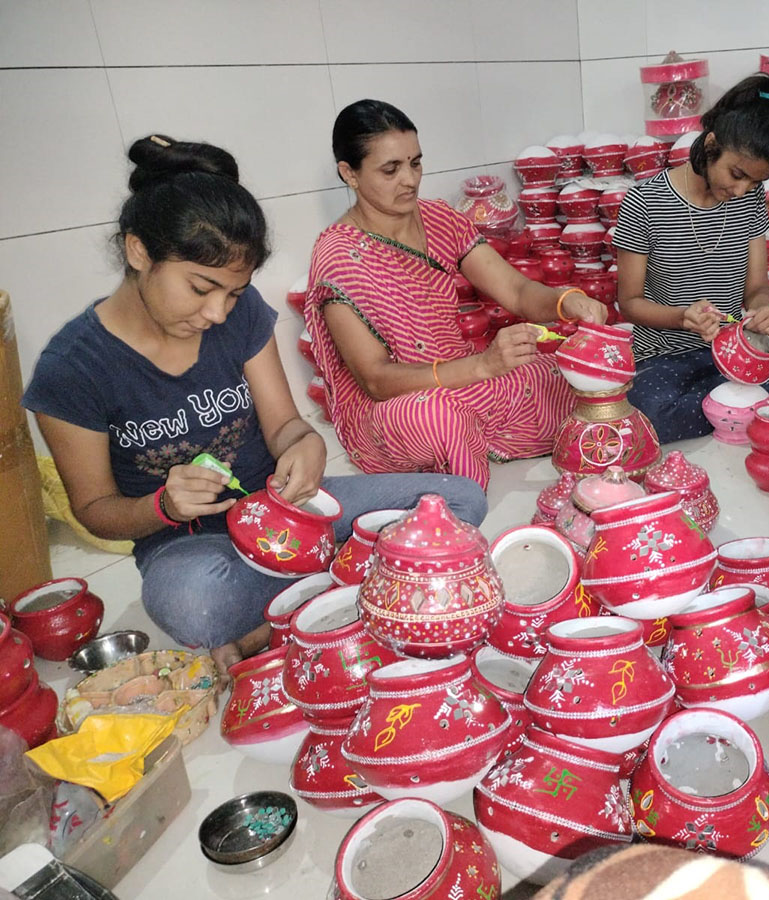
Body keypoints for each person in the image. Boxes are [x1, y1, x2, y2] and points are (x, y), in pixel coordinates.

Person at [22, 135, 487, 673]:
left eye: (233, 294)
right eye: (201, 288)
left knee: (458, 498)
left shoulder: (241, 318)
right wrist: (163, 507)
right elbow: (96, 511)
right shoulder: (72, 368)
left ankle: (286, 616)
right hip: (194, 548)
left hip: (290, 511)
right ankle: (358, 582)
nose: (218, 312)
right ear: (138, 252)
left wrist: (306, 444)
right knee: (194, 605)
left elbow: (285, 424)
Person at [305, 99, 607, 490]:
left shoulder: (438, 219)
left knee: (556, 373)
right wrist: (482, 367)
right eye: (390, 169)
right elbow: (375, 380)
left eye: (415, 162)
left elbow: (515, 290)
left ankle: (495, 441)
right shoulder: (339, 257)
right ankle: (461, 508)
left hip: (460, 373)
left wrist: (565, 301)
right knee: (442, 415)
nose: (410, 180)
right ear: (350, 174)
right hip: (397, 405)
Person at [614, 71, 769, 443]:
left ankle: (732, 402)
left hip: (742, 351)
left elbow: (757, 288)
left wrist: (765, 310)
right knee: (650, 410)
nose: (741, 189)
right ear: (711, 143)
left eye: (755, 182)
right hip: (669, 358)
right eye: (736, 174)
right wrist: (682, 318)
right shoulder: (645, 203)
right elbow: (629, 303)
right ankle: (747, 401)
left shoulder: (749, 201)